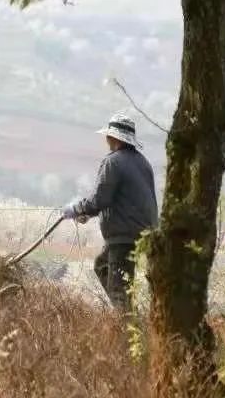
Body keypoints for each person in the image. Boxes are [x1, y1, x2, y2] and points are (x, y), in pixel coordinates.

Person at [62, 111, 158, 313]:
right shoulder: (143, 163)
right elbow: (121, 199)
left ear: (114, 137)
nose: (106, 139)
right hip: (143, 234)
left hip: (123, 236)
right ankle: (128, 317)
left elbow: (100, 199)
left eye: (108, 135)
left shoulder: (112, 162)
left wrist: (76, 209)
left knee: (118, 289)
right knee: (101, 265)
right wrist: (88, 213)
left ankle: (128, 328)